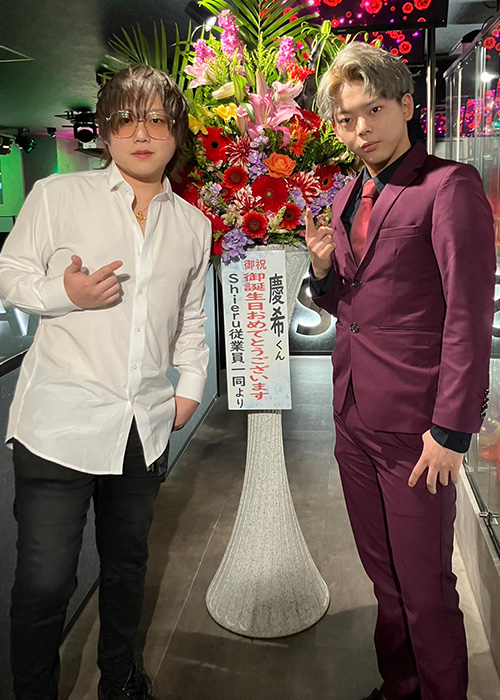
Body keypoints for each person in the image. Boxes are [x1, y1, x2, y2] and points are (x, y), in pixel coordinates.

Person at [0, 65, 211, 700]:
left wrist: (191, 383)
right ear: (104, 129)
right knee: (45, 583)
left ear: (176, 132)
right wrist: (63, 293)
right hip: (58, 425)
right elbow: (9, 274)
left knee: (126, 568)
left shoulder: (193, 225)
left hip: (143, 426)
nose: (141, 133)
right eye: (126, 119)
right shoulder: (57, 197)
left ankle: (121, 682)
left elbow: (191, 316)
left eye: (156, 120)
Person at [306, 43, 496, 700]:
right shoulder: (345, 194)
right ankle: (401, 687)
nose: (361, 129)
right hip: (352, 415)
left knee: (424, 588)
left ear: (408, 105)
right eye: (346, 119)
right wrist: (322, 274)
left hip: (418, 428)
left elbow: (468, 314)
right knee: (385, 580)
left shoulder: (448, 187)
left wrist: (451, 430)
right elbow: (350, 307)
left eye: (375, 110)